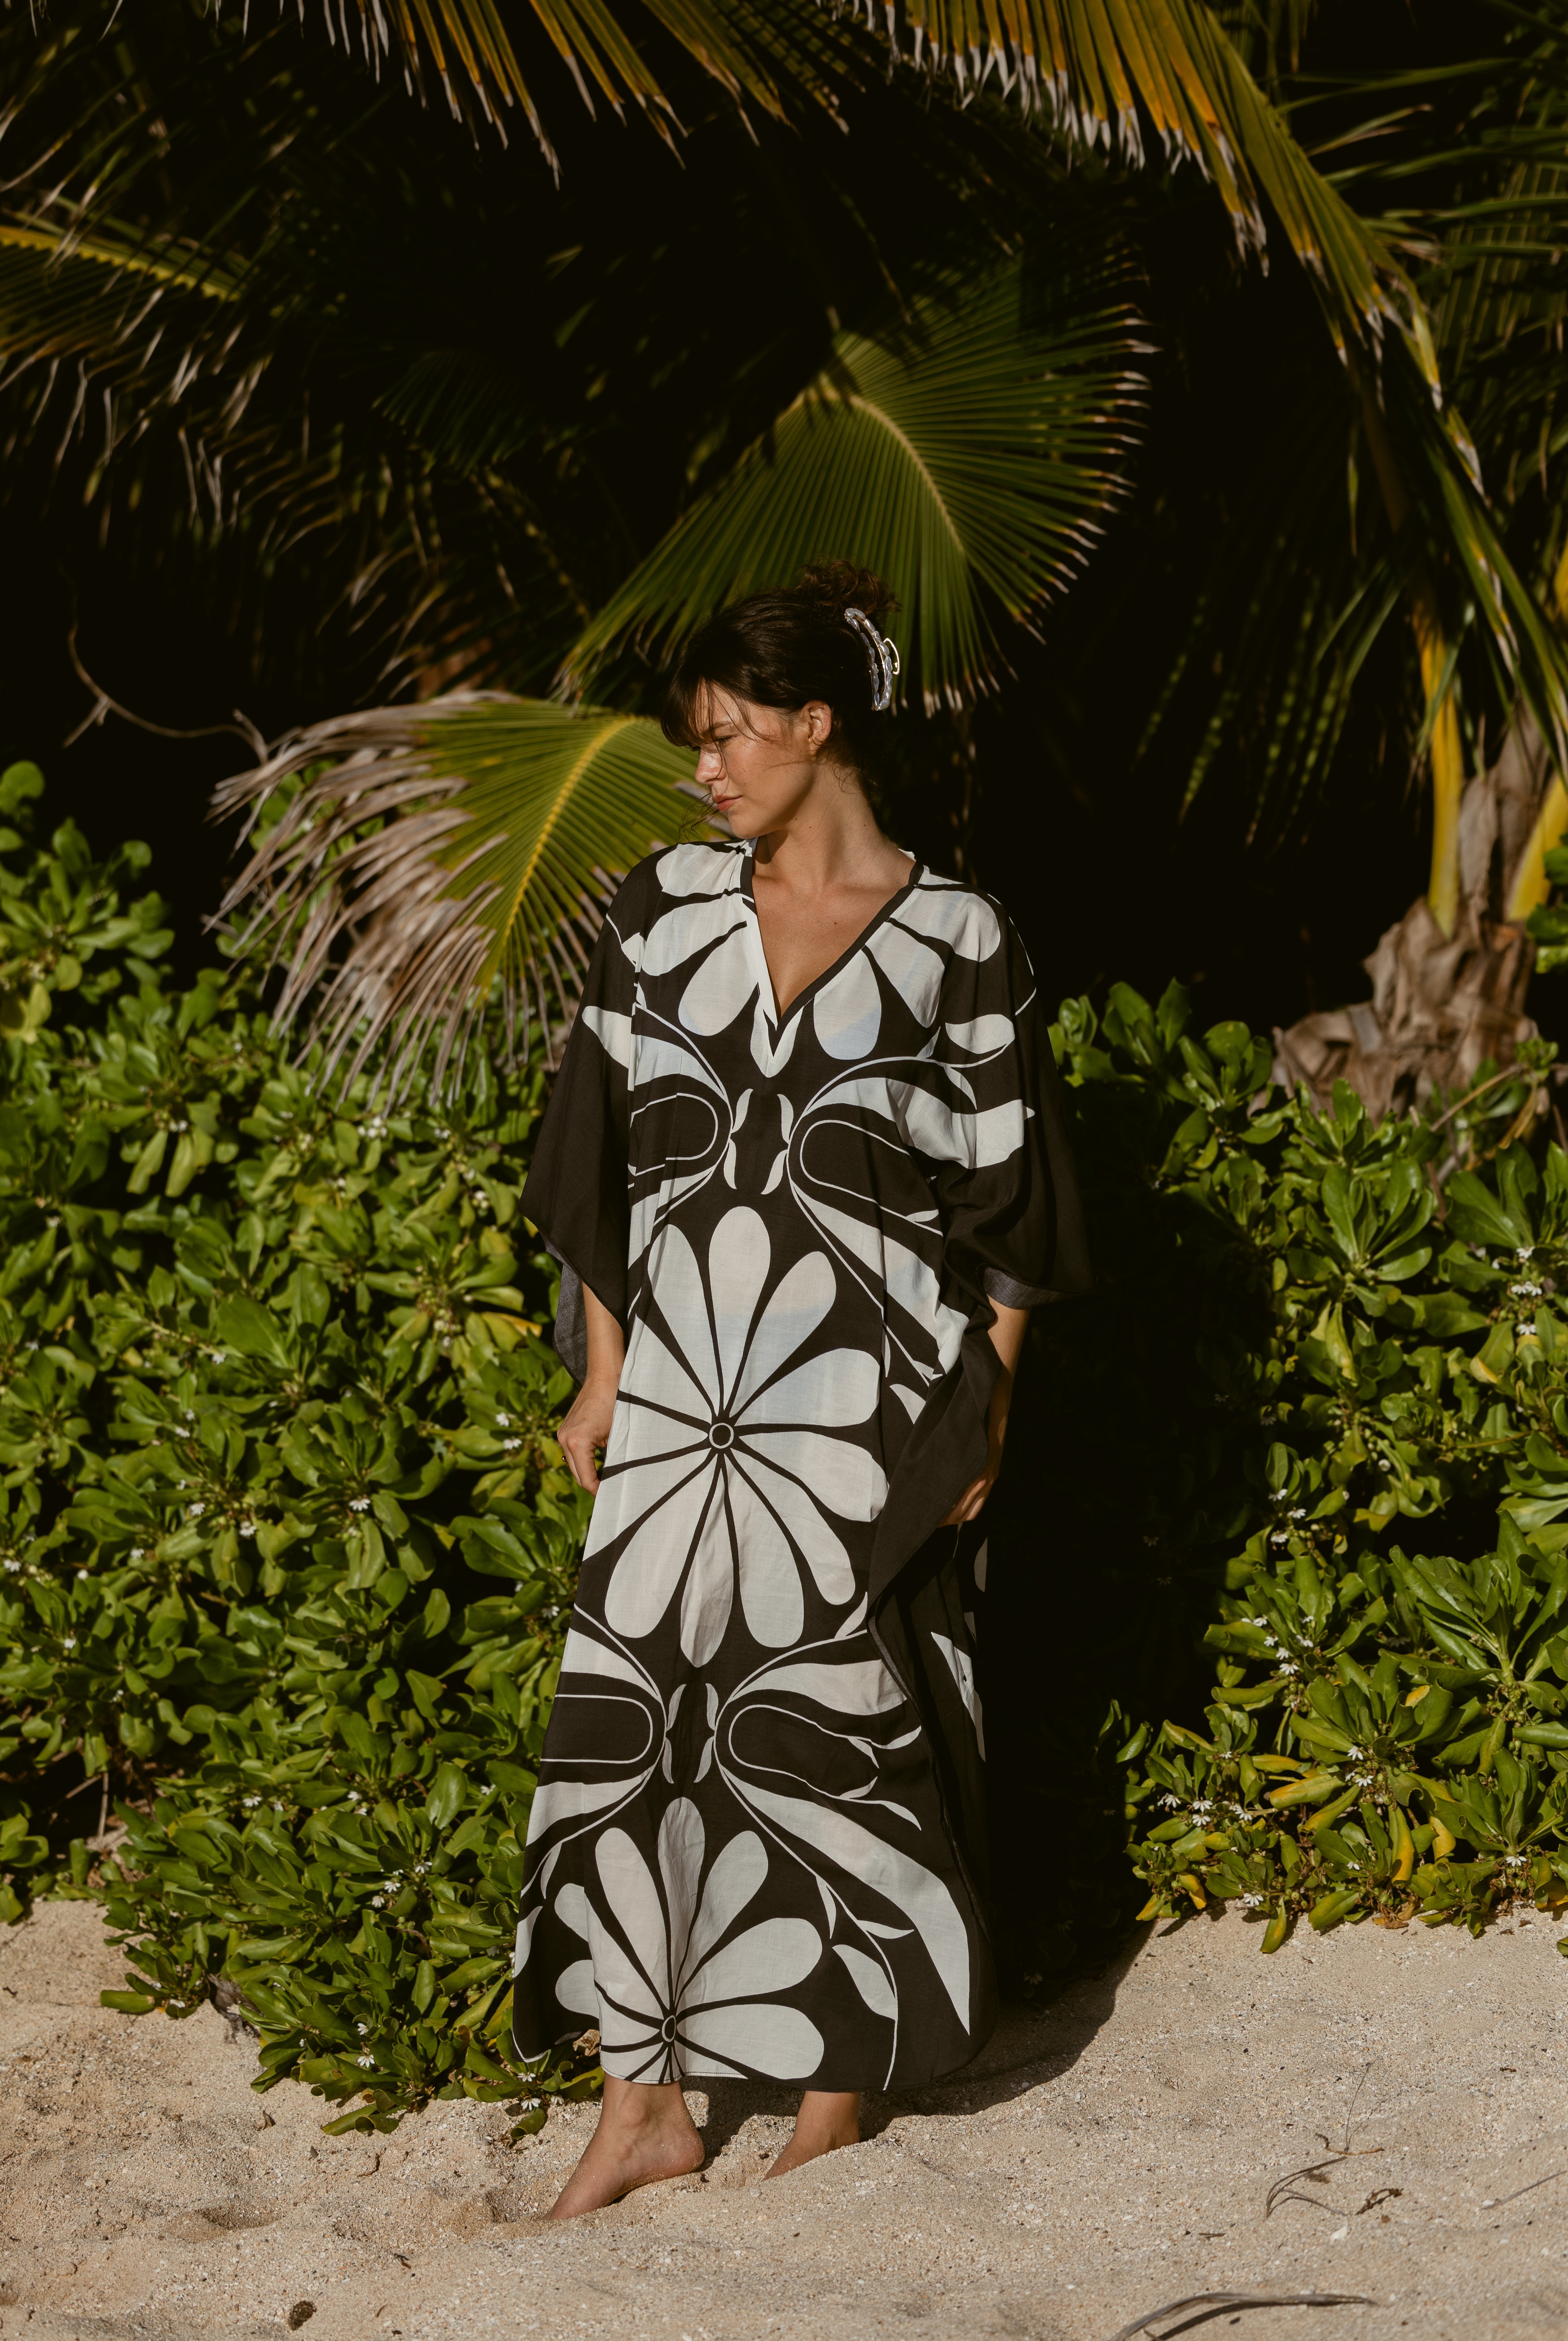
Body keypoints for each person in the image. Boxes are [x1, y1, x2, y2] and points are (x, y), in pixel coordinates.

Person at [512, 562, 1090, 2218]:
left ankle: (834, 2091)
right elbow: (599, 1161)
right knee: (639, 1726)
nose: (704, 768)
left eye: (726, 736)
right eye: (699, 740)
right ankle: (644, 2103)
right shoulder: (659, 911)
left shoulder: (956, 938)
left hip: (877, 1406)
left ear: (815, 724)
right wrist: (602, 1373)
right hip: (686, 1394)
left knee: (843, 1726)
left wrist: (984, 1409)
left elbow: (1009, 1208)